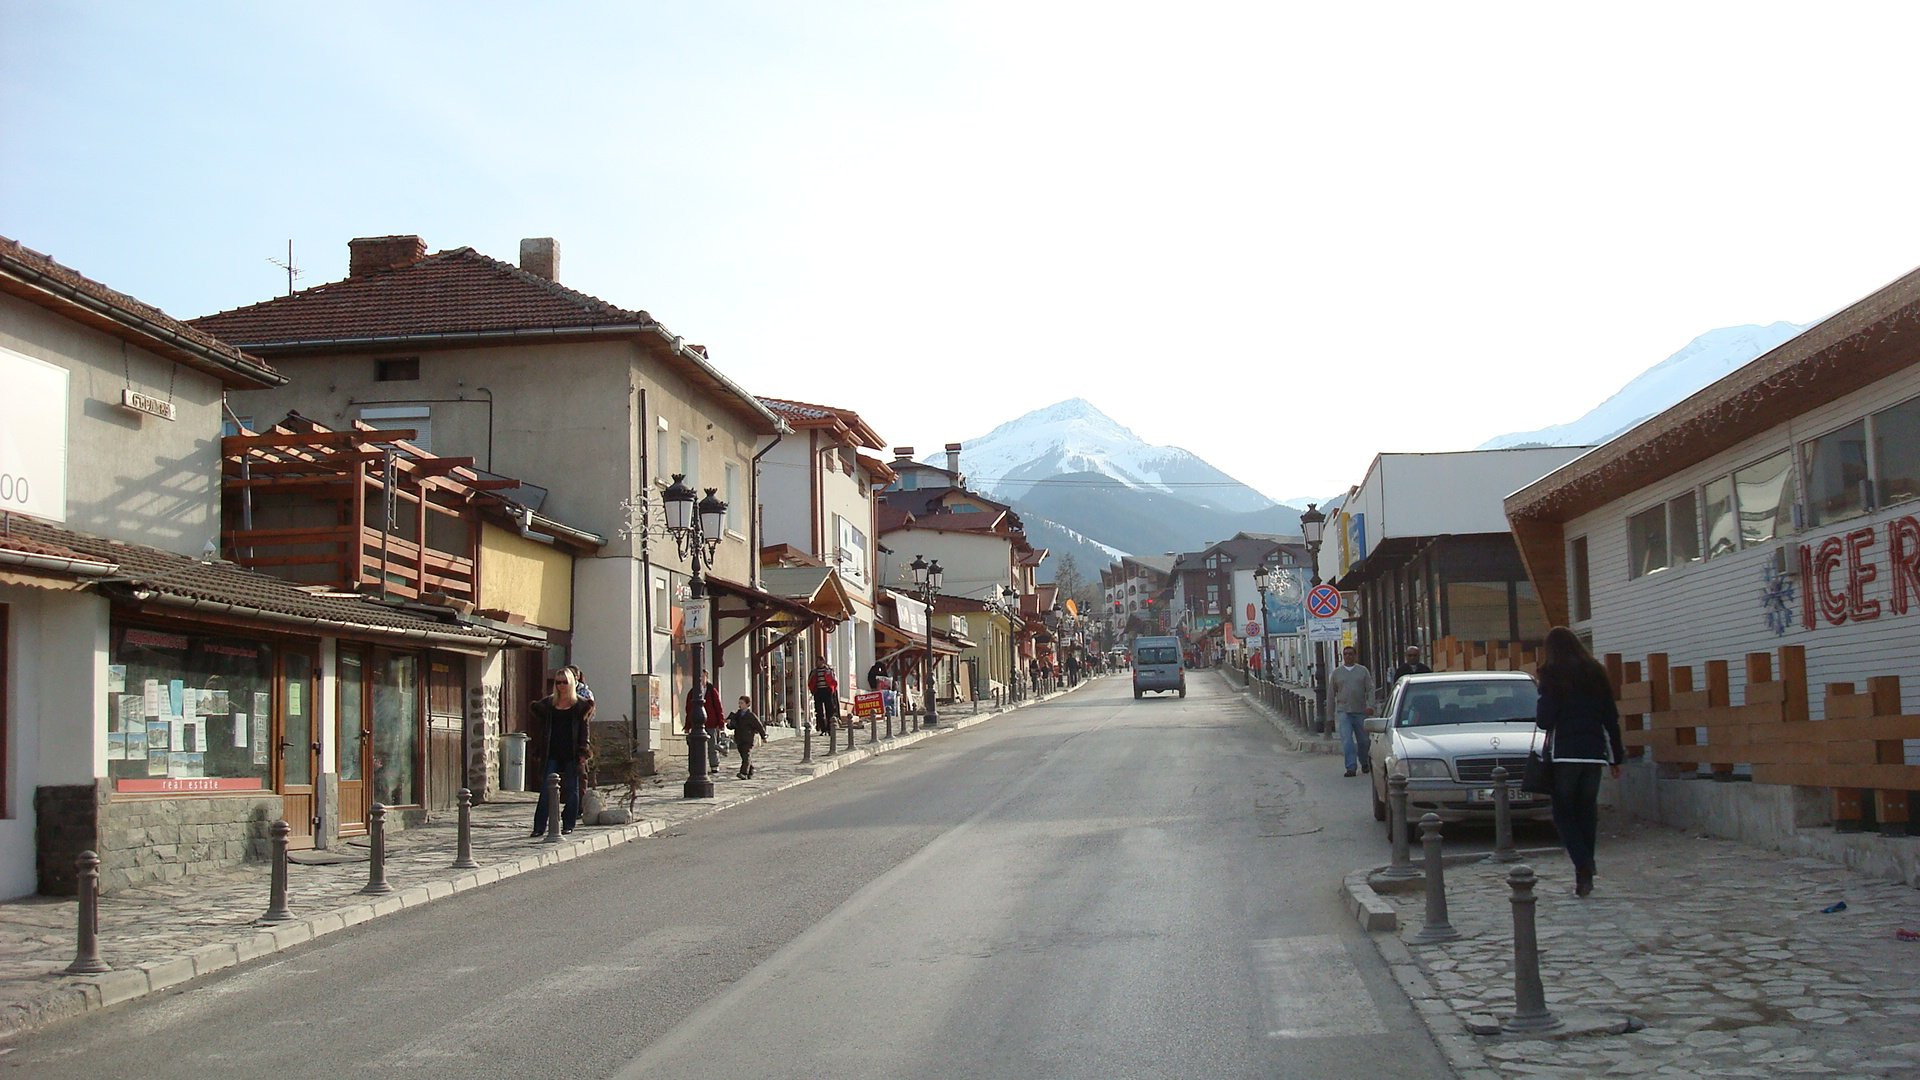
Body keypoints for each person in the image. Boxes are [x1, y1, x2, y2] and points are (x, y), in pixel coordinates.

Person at [1534, 626, 1625, 898]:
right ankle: (1584, 872)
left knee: (1563, 814)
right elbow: (1611, 717)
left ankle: (1583, 864)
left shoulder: (1552, 675)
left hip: (1566, 754)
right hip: (1594, 753)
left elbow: (1545, 720)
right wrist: (1616, 756)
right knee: (1587, 812)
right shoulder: (1596, 673)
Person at [530, 668, 594, 836]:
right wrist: (538, 749)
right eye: (558, 682)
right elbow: (540, 729)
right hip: (552, 752)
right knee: (546, 790)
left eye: (565, 682)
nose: (561, 686)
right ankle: (539, 827)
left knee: (573, 790)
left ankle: (568, 824)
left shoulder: (580, 706)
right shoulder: (547, 705)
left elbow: (584, 732)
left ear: (572, 683)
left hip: (571, 753)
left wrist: (583, 751)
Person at [1329, 645, 1374, 777]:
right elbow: (1331, 694)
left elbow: (1370, 689)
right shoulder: (1337, 673)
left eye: (1350, 654)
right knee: (1347, 740)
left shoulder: (1363, 671)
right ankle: (1351, 767)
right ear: (1343, 656)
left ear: (1355, 656)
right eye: (1346, 654)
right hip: (1344, 712)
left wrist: (1371, 705)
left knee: (1364, 740)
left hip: (1360, 711)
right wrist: (1330, 717)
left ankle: (1364, 762)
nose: (1348, 656)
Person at [685, 672, 725, 776]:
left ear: (707, 678)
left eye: (703, 677)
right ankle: (697, 766)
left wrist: (721, 723)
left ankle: (714, 765)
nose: (701, 679)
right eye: (699, 677)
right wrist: (687, 725)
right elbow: (689, 710)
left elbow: (718, 707)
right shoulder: (692, 692)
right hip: (696, 724)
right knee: (696, 747)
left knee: (712, 745)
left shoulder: (711, 691)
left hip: (710, 723)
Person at [726, 696, 768, 778]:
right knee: (744, 756)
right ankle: (750, 770)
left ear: (747, 704)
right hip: (739, 738)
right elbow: (732, 726)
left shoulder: (751, 716)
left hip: (748, 739)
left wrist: (764, 736)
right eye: (739, 703)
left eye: (742, 703)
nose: (740, 705)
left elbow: (759, 726)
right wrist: (729, 723)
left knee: (746, 755)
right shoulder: (737, 714)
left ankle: (743, 773)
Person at [808, 658, 839, 735]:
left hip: (827, 691)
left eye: (820, 661)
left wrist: (832, 689)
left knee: (829, 710)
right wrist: (813, 690)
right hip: (818, 691)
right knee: (819, 711)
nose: (819, 663)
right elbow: (810, 681)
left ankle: (829, 728)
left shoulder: (829, 671)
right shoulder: (814, 671)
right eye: (818, 661)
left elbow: (834, 681)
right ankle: (823, 728)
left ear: (823, 662)